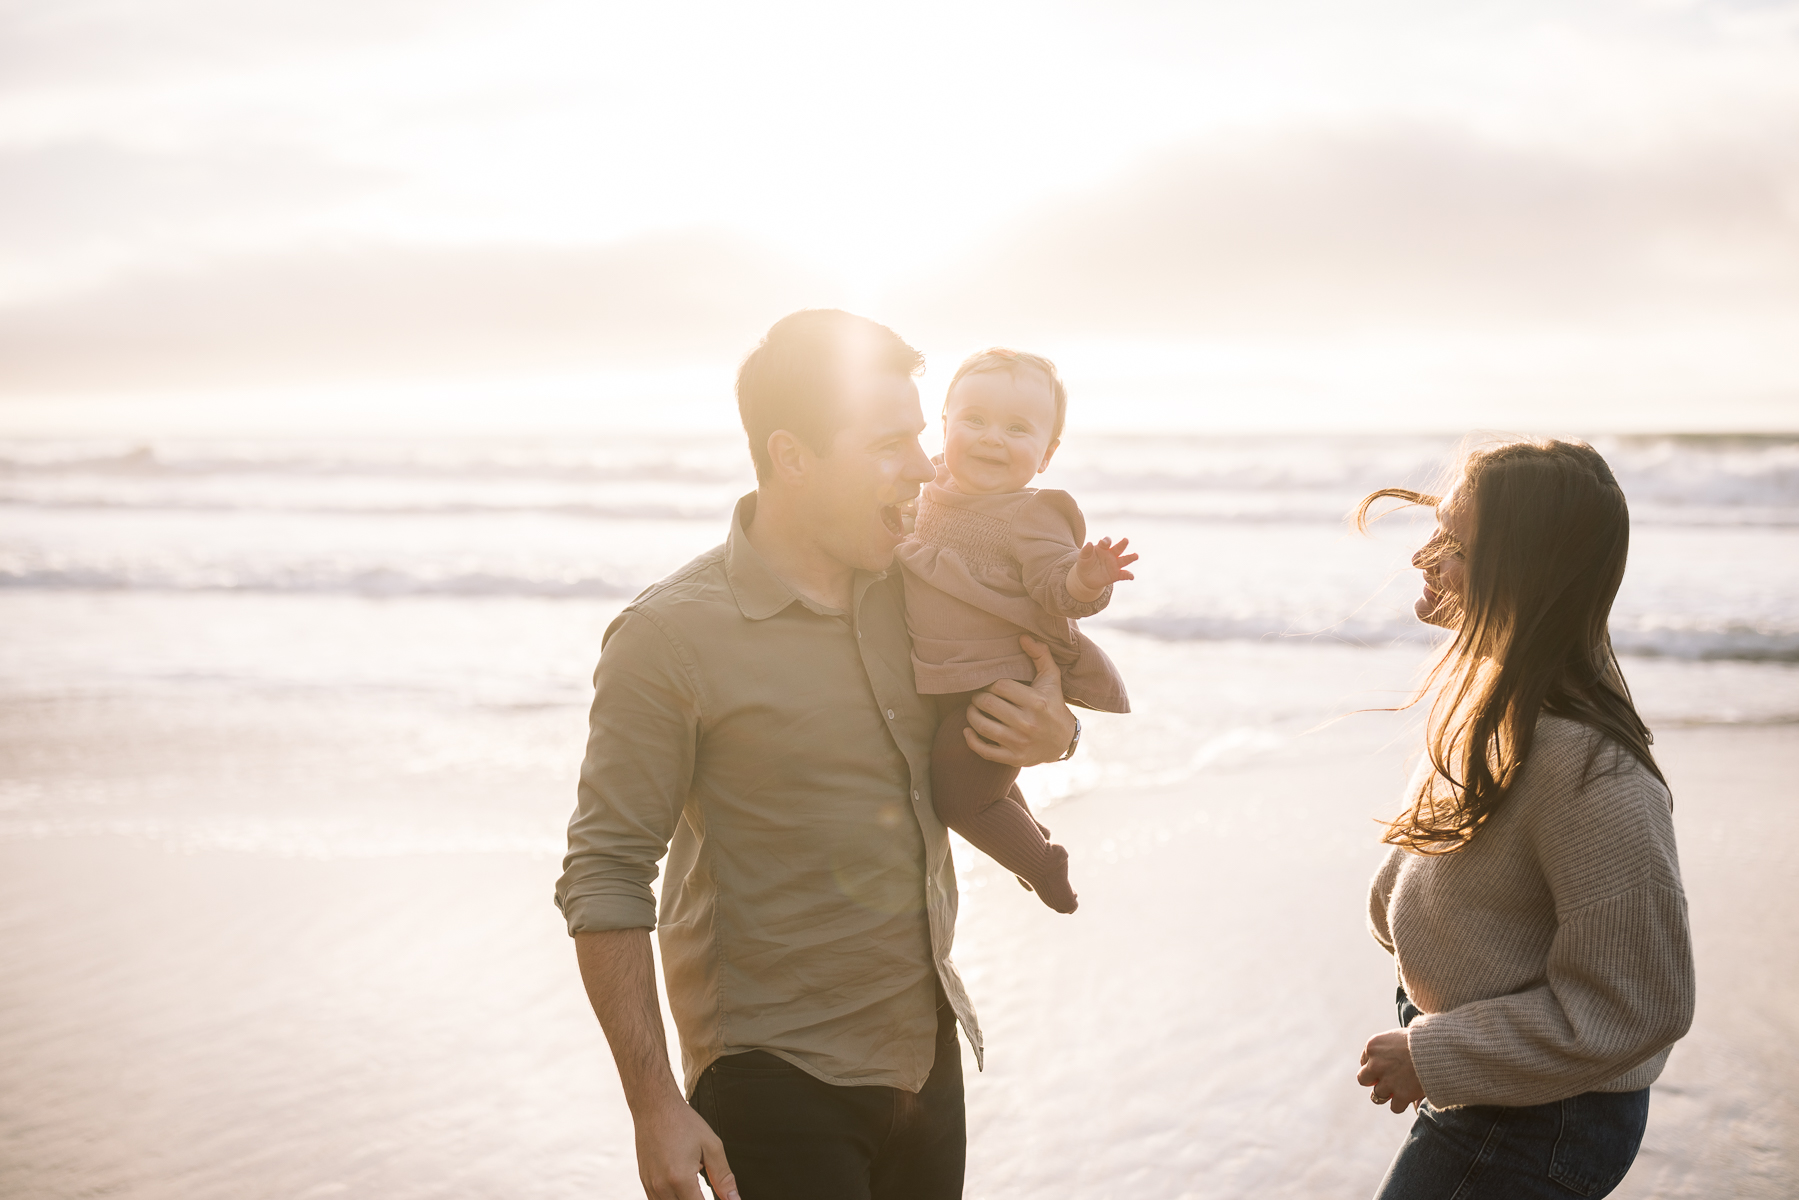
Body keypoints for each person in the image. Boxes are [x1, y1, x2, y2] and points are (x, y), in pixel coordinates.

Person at [553, 309, 1081, 1200]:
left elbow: (1008, 701)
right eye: (888, 444)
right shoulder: (667, 637)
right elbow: (605, 870)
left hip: (927, 1054)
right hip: (772, 1081)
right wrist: (652, 1103)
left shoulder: (921, 590)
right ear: (791, 456)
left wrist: (1057, 734)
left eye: (919, 435)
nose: (926, 466)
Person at [1352, 438, 1696, 1199]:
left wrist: (1437, 1053)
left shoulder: (1589, 769)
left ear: (1525, 575)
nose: (1422, 558)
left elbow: (1640, 1003)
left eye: (1454, 545)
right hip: (1497, 1080)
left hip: (1539, 1115)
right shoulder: (1498, 702)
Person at [895, 348, 1133, 913]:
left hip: (995, 686)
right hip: (945, 677)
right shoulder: (928, 487)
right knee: (974, 778)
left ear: (1047, 455)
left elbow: (1056, 585)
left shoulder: (1034, 513)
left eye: (1017, 429)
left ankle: (1043, 863)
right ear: (944, 426)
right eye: (974, 420)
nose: (992, 439)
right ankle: (1028, 838)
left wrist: (1084, 577)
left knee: (961, 799)